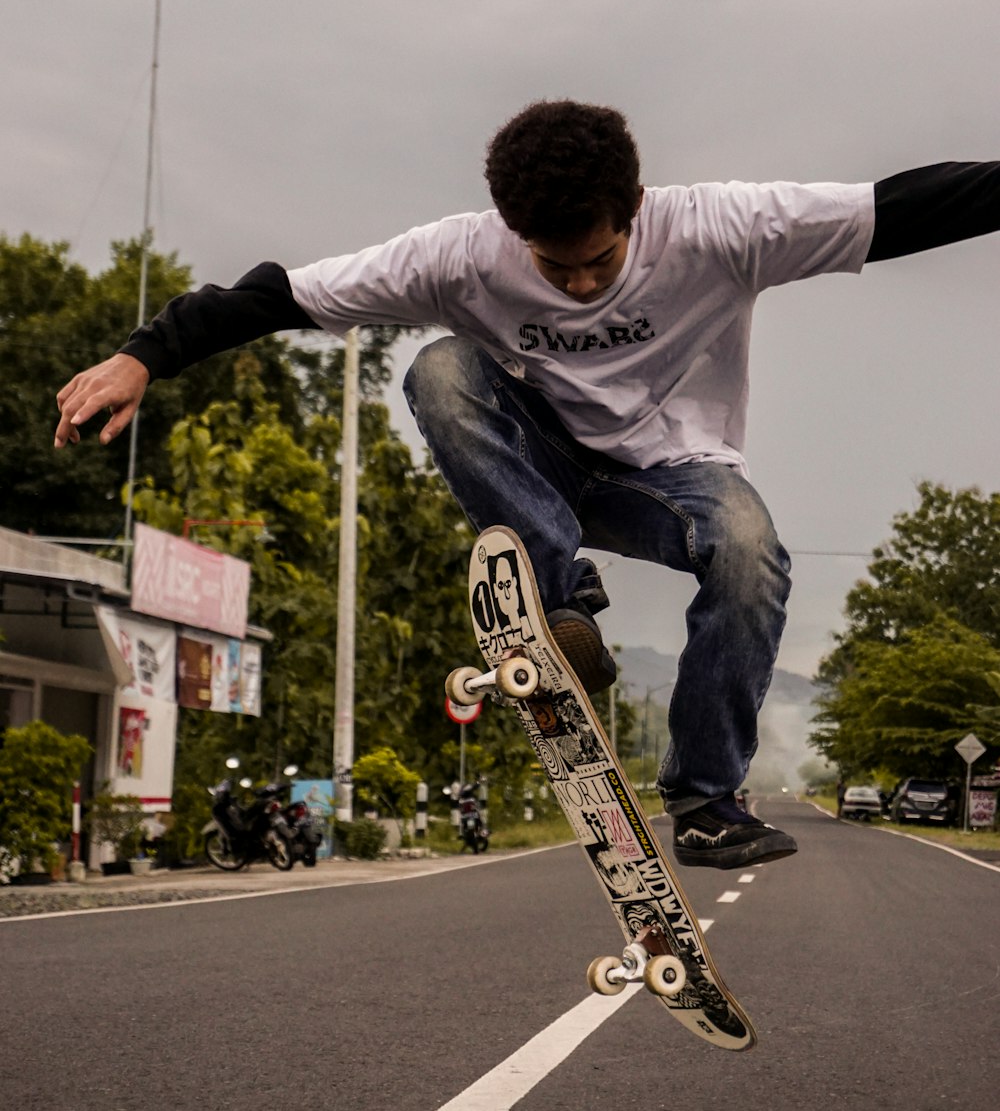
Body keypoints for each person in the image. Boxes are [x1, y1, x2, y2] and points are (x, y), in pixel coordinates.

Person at [54, 99, 1000, 870]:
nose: (582, 284)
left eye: (600, 258)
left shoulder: (721, 227)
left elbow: (902, 207)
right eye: (556, 266)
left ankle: (707, 798)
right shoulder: (461, 254)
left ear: (635, 206)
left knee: (750, 554)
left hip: (673, 477)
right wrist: (145, 355)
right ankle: (554, 609)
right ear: (514, 232)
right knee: (437, 370)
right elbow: (281, 294)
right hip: (537, 465)